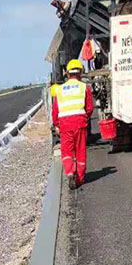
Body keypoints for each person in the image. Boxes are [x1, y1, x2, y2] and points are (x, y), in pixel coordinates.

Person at [51, 59, 94, 189]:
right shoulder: (84, 88)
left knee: (67, 151)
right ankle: (79, 178)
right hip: (80, 123)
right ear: (80, 73)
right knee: (80, 151)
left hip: (65, 125)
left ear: (68, 74)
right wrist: (84, 118)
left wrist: (57, 124)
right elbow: (89, 108)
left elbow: (55, 111)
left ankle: (70, 172)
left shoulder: (60, 90)